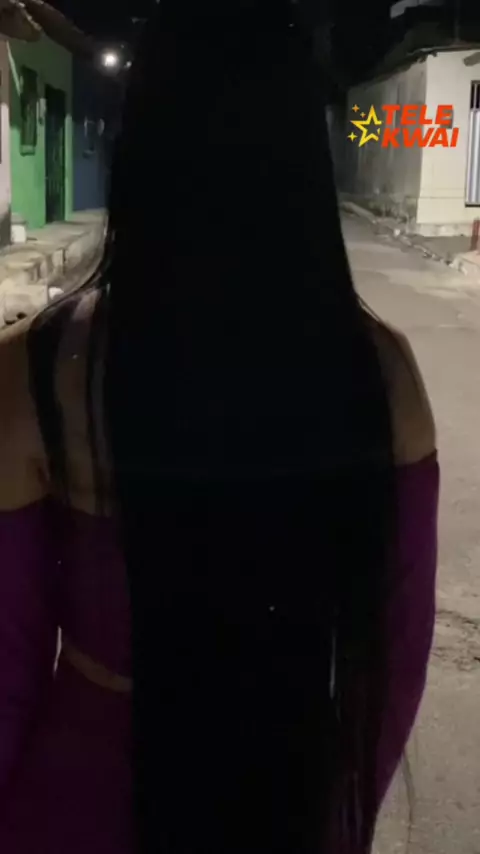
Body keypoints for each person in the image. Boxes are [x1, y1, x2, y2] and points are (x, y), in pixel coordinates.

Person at [0, 1, 438, 852]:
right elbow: (390, 666)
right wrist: (340, 822)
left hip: (73, 810)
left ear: (140, 149)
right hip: (288, 801)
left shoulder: (38, 370)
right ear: (304, 161)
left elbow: (7, 665)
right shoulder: (381, 375)